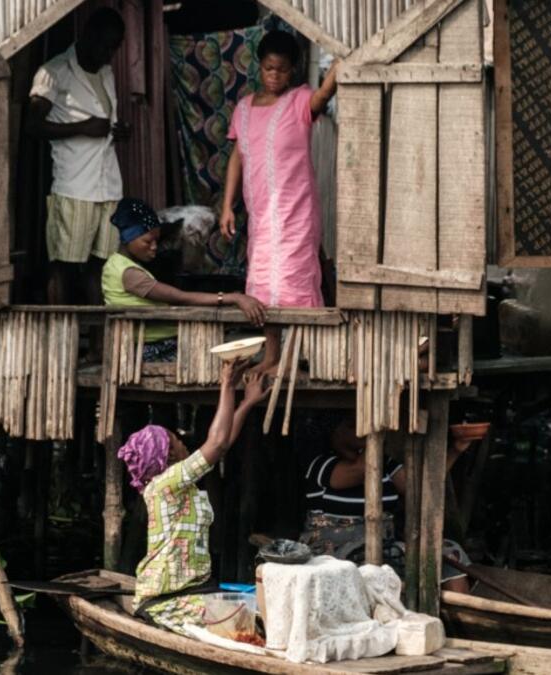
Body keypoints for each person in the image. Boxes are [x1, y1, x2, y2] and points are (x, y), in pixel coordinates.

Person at [220, 30, 340, 374]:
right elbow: (237, 157)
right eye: (270, 68)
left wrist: (343, 57)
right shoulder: (243, 109)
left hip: (296, 209)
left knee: (296, 276)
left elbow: (326, 92)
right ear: (259, 67)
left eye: (283, 70)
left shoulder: (300, 101)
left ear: (294, 70)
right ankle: (273, 356)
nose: (275, 76)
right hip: (260, 212)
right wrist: (227, 206)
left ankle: (306, 355)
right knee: (266, 282)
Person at [125, 361, 270, 634]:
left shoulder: (178, 482)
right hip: (166, 601)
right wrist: (227, 384)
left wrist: (247, 403)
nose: (182, 439)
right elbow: (216, 444)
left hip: (195, 592)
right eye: (175, 438)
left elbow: (222, 444)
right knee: (253, 625)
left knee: (262, 612)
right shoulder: (165, 484)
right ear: (167, 454)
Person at [299, 413, 474, 593]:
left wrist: (456, 450)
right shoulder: (322, 464)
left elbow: (417, 488)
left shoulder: (386, 463)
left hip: (383, 544)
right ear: (334, 433)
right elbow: (362, 469)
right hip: (335, 550)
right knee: (385, 563)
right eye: (352, 426)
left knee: (447, 552)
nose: (361, 431)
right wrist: (376, 436)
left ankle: (461, 618)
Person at [27, 7, 131, 305]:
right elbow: (32, 126)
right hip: (75, 186)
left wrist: (117, 132)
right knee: (64, 265)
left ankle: (97, 345)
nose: (109, 54)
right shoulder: (54, 72)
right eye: (105, 45)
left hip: (108, 184)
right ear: (87, 37)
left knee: (101, 267)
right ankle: (60, 344)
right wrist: (82, 127)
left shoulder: (107, 74)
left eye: (115, 47)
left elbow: (102, 125)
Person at [102, 198, 268, 361]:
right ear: (128, 238)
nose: (154, 247)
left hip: (154, 343)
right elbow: (180, 297)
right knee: (225, 358)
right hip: (150, 349)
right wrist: (234, 297)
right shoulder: (128, 272)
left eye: (156, 241)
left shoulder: (117, 265)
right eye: (147, 241)